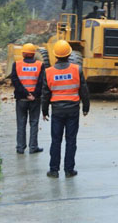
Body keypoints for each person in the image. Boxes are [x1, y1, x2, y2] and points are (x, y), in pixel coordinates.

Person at [42, 40, 90, 178]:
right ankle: (69, 170)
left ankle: (54, 170)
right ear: (69, 54)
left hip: (57, 111)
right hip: (73, 110)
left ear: (55, 55)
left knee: (56, 140)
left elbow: (45, 94)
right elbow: (84, 90)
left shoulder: (49, 72)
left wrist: (44, 111)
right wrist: (86, 107)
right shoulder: (77, 69)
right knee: (71, 140)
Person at [11, 43, 44, 155]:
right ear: (34, 54)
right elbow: (41, 82)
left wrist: (26, 94)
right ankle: (33, 147)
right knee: (34, 123)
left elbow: (15, 81)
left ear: (23, 53)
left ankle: (20, 148)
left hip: (21, 99)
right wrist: (33, 94)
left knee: (21, 123)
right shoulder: (40, 65)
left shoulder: (16, 64)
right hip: (35, 99)